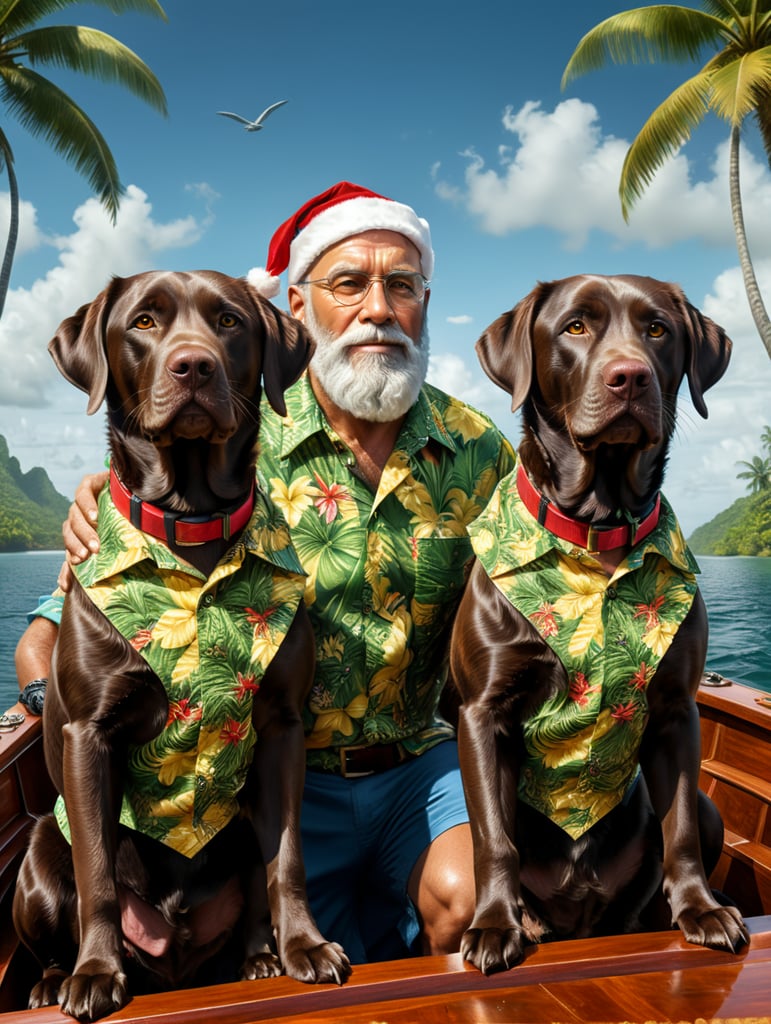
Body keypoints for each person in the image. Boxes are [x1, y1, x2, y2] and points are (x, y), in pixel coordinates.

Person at [16, 181, 515, 965]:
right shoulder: (225, 440)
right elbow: (49, 636)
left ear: (425, 304)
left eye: (403, 286)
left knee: (468, 900)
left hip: (417, 767)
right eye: (348, 283)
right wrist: (51, 701)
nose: (378, 308)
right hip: (272, 787)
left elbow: (561, 575)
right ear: (298, 307)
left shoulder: (478, 448)